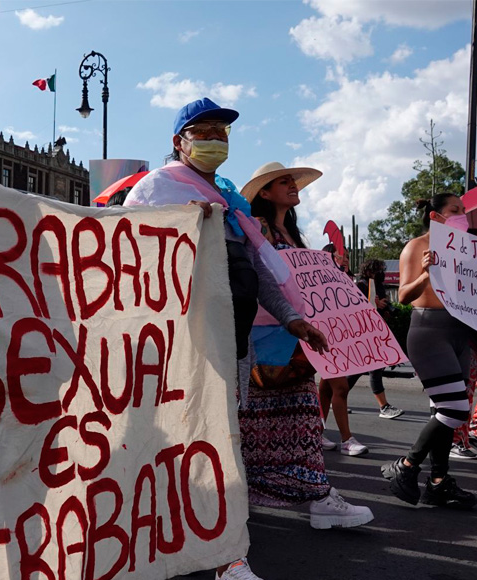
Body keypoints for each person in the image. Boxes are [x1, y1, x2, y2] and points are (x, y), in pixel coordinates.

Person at [125, 99, 331, 580]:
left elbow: (255, 270)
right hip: (181, 346)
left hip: (233, 343)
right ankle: (207, 548)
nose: (215, 140)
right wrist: (178, 226)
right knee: (190, 440)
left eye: (222, 132)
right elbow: (131, 254)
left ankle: (218, 548)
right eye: (204, 132)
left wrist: (293, 319)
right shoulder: (156, 189)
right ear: (178, 142)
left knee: (221, 441)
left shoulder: (231, 201)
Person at [243, 160, 374, 529]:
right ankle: (309, 497)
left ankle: (312, 494)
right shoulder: (258, 227)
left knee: (298, 418)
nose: (293, 186)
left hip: (294, 335)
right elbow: (261, 278)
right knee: (265, 423)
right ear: (264, 192)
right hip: (267, 336)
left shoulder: (291, 233)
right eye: (283, 182)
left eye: (293, 181)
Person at [380, 193, 477, 509]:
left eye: (464, 210)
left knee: (444, 411)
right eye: (455, 210)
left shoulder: (465, 250)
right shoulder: (416, 247)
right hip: (429, 331)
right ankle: (408, 465)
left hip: (459, 331)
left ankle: (438, 481)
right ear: (435, 216)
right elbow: (404, 296)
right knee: (456, 410)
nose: (462, 215)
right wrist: (426, 273)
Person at [316, 244, 369, 455]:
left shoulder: (346, 279)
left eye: (347, 256)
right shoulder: (318, 281)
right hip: (326, 341)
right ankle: (346, 440)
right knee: (341, 388)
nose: (346, 260)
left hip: (341, 341)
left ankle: (316, 433)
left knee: (326, 389)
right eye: (342, 256)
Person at [354, 258, 405, 420]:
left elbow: (381, 311)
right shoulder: (361, 286)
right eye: (377, 270)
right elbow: (357, 309)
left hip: (377, 332)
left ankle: (335, 396)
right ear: (369, 270)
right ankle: (384, 407)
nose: (380, 273)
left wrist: (385, 308)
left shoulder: (379, 286)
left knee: (358, 370)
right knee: (375, 368)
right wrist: (373, 304)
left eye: (382, 270)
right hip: (366, 334)